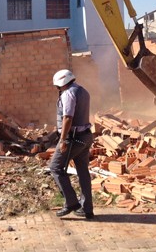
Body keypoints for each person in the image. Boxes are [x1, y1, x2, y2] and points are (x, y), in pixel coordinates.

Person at [49, 69, 95, 220]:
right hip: (86, 136)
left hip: (73, 138)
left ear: (61, 84)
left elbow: (68, 118)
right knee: (83, 172)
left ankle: (71, 203)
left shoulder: (68, 94)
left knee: (55, 167)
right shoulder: (83, 90)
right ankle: (87, 209)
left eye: (58, 87)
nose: (58, 89)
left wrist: (63, 140)